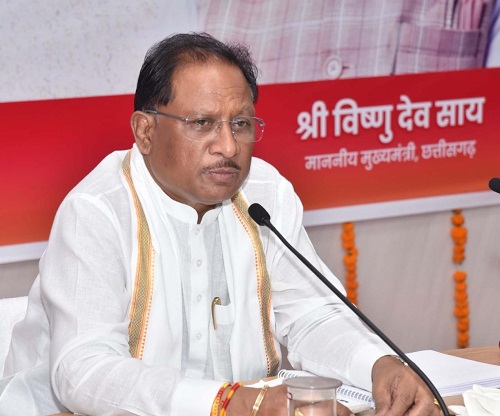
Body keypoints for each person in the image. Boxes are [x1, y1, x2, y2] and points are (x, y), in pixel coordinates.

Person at [0, 32, 441, 416]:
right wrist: (230, 403)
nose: (228, 146)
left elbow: (311, 315)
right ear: (145, 131)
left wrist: (378, 365)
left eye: (241, 124)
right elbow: (84, 371)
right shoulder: (97, 211)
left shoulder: (265, 193)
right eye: (203, 124)